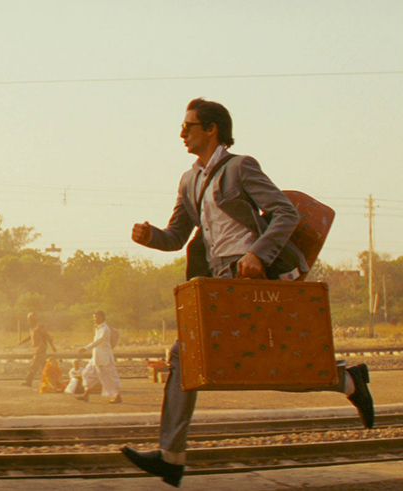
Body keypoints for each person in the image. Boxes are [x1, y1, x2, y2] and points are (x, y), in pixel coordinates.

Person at [123, 98, 374, 487]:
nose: (181, 134)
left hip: (258, 274)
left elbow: (285, 213)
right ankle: (172, 457)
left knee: (263, 363)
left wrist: (258, 253)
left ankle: (348, 381)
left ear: (212, 130)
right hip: (220, 278)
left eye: (189, 126)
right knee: (188, 355)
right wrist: (150, 236)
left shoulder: (241, 167)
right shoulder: (189, 180)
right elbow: (176, 238)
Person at [76, 310, 122, 403]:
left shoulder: (105, 329)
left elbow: (98, 341)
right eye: (94, 318)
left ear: (103, 318)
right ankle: (86, 394)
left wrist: (86, 348)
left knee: (111, 377)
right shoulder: (97, 328)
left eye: (97, 317)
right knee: (87, 373)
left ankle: (118, 396)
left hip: (105, 358)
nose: (95, 319)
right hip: (96, 357)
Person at [14, 312, 57, 387]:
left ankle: (28, 381)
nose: (29, 320)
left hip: (40, 349)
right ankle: (52, 381)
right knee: (44, 366)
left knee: (34, 365)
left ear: (33, 319)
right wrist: (21, 342)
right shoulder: (32, 328)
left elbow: (46, 336)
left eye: (30, 319)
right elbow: (29, 337)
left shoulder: (39, 326)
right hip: (37, 349)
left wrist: (52, 346)